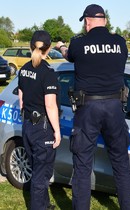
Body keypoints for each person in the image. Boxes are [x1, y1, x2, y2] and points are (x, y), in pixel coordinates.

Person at [56, 4, 130, 210]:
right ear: (105, 21)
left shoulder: (78, 43)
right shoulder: (119, 42)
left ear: (87, 21)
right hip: (114, 107)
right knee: (121, 164)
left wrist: (61, 47)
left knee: (82, 166)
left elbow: (68, 55)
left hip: (88, 107)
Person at [18, 30, 61, 210]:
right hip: (42, 128)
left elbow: (21, 96)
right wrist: (57, 131)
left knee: (38, 169)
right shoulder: (47, 73)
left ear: (30, 46)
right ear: (49, 48)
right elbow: (50, 105)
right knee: (41, 177)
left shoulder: (24, 69)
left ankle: (44, 205)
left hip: (28, 125)